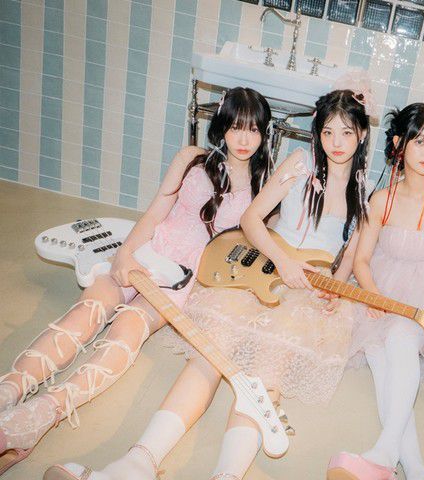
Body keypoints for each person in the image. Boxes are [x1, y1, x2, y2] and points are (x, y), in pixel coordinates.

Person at [45, 87, 374, 480]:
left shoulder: (364, 193)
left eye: (347, 133)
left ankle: (227, 474)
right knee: (209, 355)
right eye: (328, 131)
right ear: (317, 133)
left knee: (266, 375)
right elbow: (251, 218)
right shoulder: (299, 163)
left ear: (362, 135)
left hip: (305, 292)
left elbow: (349, 257)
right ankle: (137, 463)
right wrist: (283, 261)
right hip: (259, 269)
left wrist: (334, 289)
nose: (336, 142)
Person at [0, 87, 274, 474]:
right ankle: (7, 393)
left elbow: (256, 249)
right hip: (146, 250)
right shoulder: (192, 159)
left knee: (124, 336)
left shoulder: (264, 189)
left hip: (179, 280)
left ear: (264, 133)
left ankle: (38, 417)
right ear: (221, 128)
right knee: (85, 313)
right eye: (235, 127)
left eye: (253, 129)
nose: (244, 139)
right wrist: (126, 253)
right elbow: (157, 210)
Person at [328, 103, 424, 480]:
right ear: (398, 144)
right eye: (420, 141)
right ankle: (412, 467)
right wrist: (376, 298)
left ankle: (385, 453)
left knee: (401, 338)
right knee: (379, 355)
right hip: (383, 290)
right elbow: (362, 260)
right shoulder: (381, 200)